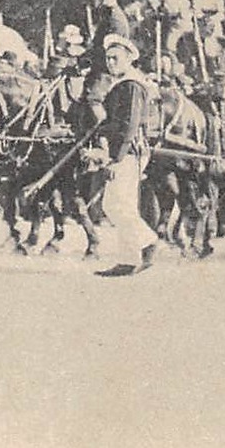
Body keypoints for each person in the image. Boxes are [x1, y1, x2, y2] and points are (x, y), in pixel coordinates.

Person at [88, 35, 160, 277]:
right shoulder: (123, 84)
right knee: (122, 205)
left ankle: (147, 242)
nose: (110, 62)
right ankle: (129, 259)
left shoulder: (131, 85)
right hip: (123, 152)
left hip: (128, 153)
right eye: (108, 58)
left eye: (115, 58)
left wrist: (116, 159)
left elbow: (129, 125)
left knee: (114, 204)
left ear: (129, 59)